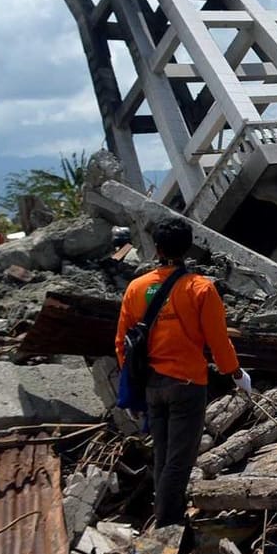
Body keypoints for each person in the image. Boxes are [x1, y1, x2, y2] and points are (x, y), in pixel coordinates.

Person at [114, 218, 250, 527]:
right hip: (187, 385)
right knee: (180, 458)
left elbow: (123, 342)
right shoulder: (201, 288)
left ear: (158, 249)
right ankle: (168, 523)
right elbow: (218, 340)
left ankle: (163, 515)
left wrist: (134, 383)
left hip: (152, 385)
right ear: (188, 248)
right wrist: (236, 373)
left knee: (163, 454)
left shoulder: (137, 288)